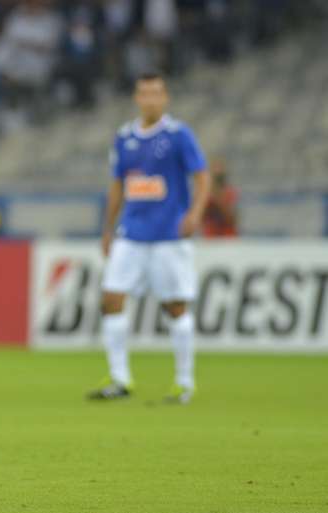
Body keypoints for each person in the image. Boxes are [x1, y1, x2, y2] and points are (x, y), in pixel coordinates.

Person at [88, 72, 209, 404]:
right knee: (111, 299)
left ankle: (184, 382)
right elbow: (117, 185)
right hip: (131, 233)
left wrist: (195, 214)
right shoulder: (124, 137)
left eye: (156, 93)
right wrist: (108, 227)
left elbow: (202, 176)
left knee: (175, 307)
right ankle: (120, 379)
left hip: (169, 235)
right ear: (136, 98)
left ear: (165, 98)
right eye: (144, 93)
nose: (150, 99)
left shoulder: (178, 135)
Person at [202, 156, 238, 237]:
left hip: (227, 237)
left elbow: (232, 219)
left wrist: (218, 198)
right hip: (210, 238)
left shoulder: (231, 192)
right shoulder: (205, 194)